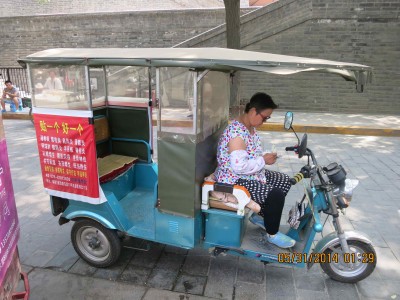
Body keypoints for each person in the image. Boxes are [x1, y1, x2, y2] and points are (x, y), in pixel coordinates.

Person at [215, 92, 295, 249]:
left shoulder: (249, 128)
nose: (264, 121)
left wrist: (264, 157)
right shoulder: (237, 133)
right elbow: (239, 167)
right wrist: (263, 160)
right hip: (233, 179)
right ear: (253, 111)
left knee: (284, 180)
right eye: (264, 117)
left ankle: (262, 216)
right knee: (275, 195)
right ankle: (272, 233)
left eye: (267, 118)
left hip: (248, 174)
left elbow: (250, 154)